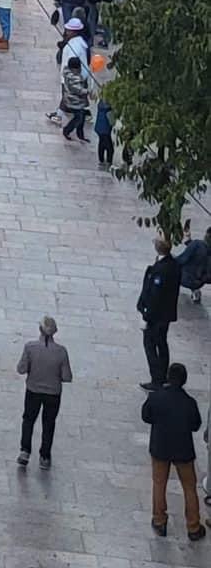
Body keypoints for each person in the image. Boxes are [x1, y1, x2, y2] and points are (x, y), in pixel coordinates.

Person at [142, 362, 206, 540]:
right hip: (183, 450)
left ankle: (159, 521)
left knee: (159, 483)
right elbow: (195, 425)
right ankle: (193, 527)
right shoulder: (189, 402)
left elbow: (145, 416)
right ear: (184, 380)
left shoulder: (156, 397)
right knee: (189, 487)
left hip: (160, 448)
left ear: (168, 378)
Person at [15, 314, 72, 470]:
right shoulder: (61, 352)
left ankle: (25, 451)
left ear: (40, 329)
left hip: (33, 390)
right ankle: (45, 457)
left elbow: (21, 369)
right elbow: (67, 377)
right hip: (53, 394)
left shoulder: (30, 347)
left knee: (28, 419)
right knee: (48, 423)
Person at [138, 231, 181, 389]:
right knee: (162, 344)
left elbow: (155, 296)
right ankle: (163, 374)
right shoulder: (173, 264)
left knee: (151, 345)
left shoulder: (162, 270)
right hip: (166, 314)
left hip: (157, 316)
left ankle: (157, 378)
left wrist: (146, 315)